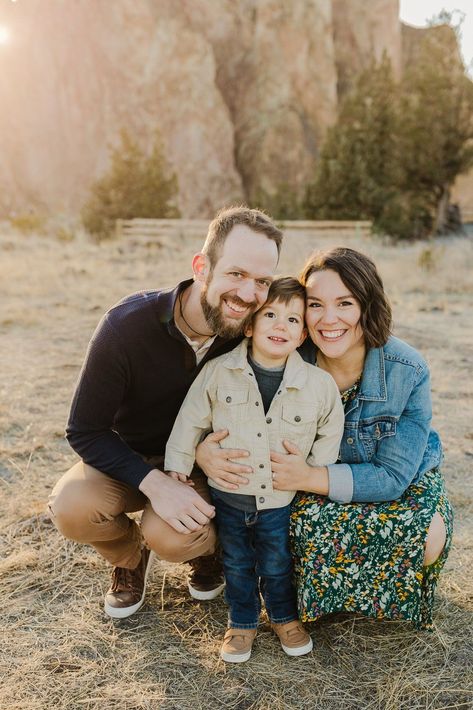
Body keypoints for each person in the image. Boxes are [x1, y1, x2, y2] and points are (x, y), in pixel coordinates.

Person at [197, 247, 453, 631]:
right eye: (315, 305)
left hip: (390, 480)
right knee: (288, 520)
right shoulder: (284, 348)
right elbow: (221, 394)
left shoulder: (407, 369)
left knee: (426, 534)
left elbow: (392, 476)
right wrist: (202, 450)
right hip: (295, 483)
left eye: (345, 303)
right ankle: (313, 592)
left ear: (367, 306)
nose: (328, 319)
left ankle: (349, 591)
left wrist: (307, 478)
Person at [47, 206, 283, 619]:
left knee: (172, 536)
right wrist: (152, 483)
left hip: (199, 468)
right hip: (129, 460)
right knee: (71, 507)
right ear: (201, 267)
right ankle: (128, 558)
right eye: (237, 274)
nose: (248, 294)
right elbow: (84, 430)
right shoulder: (125, 327)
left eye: (262, 281)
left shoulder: (254, 333)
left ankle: (205, 554)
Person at [165, 277, 344, 661]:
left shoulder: (317, 384)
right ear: (250, 325)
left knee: (278, 562)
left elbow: (331, 427)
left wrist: (314, 471)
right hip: (230, 496)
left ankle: (284, 618)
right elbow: (191, 418)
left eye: (294, 320)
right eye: (271, 315)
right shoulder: (219, 371)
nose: (281, 325)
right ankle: (242, 622)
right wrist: (179, 462)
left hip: (279, 498)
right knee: (237, 562)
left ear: (302, 336)